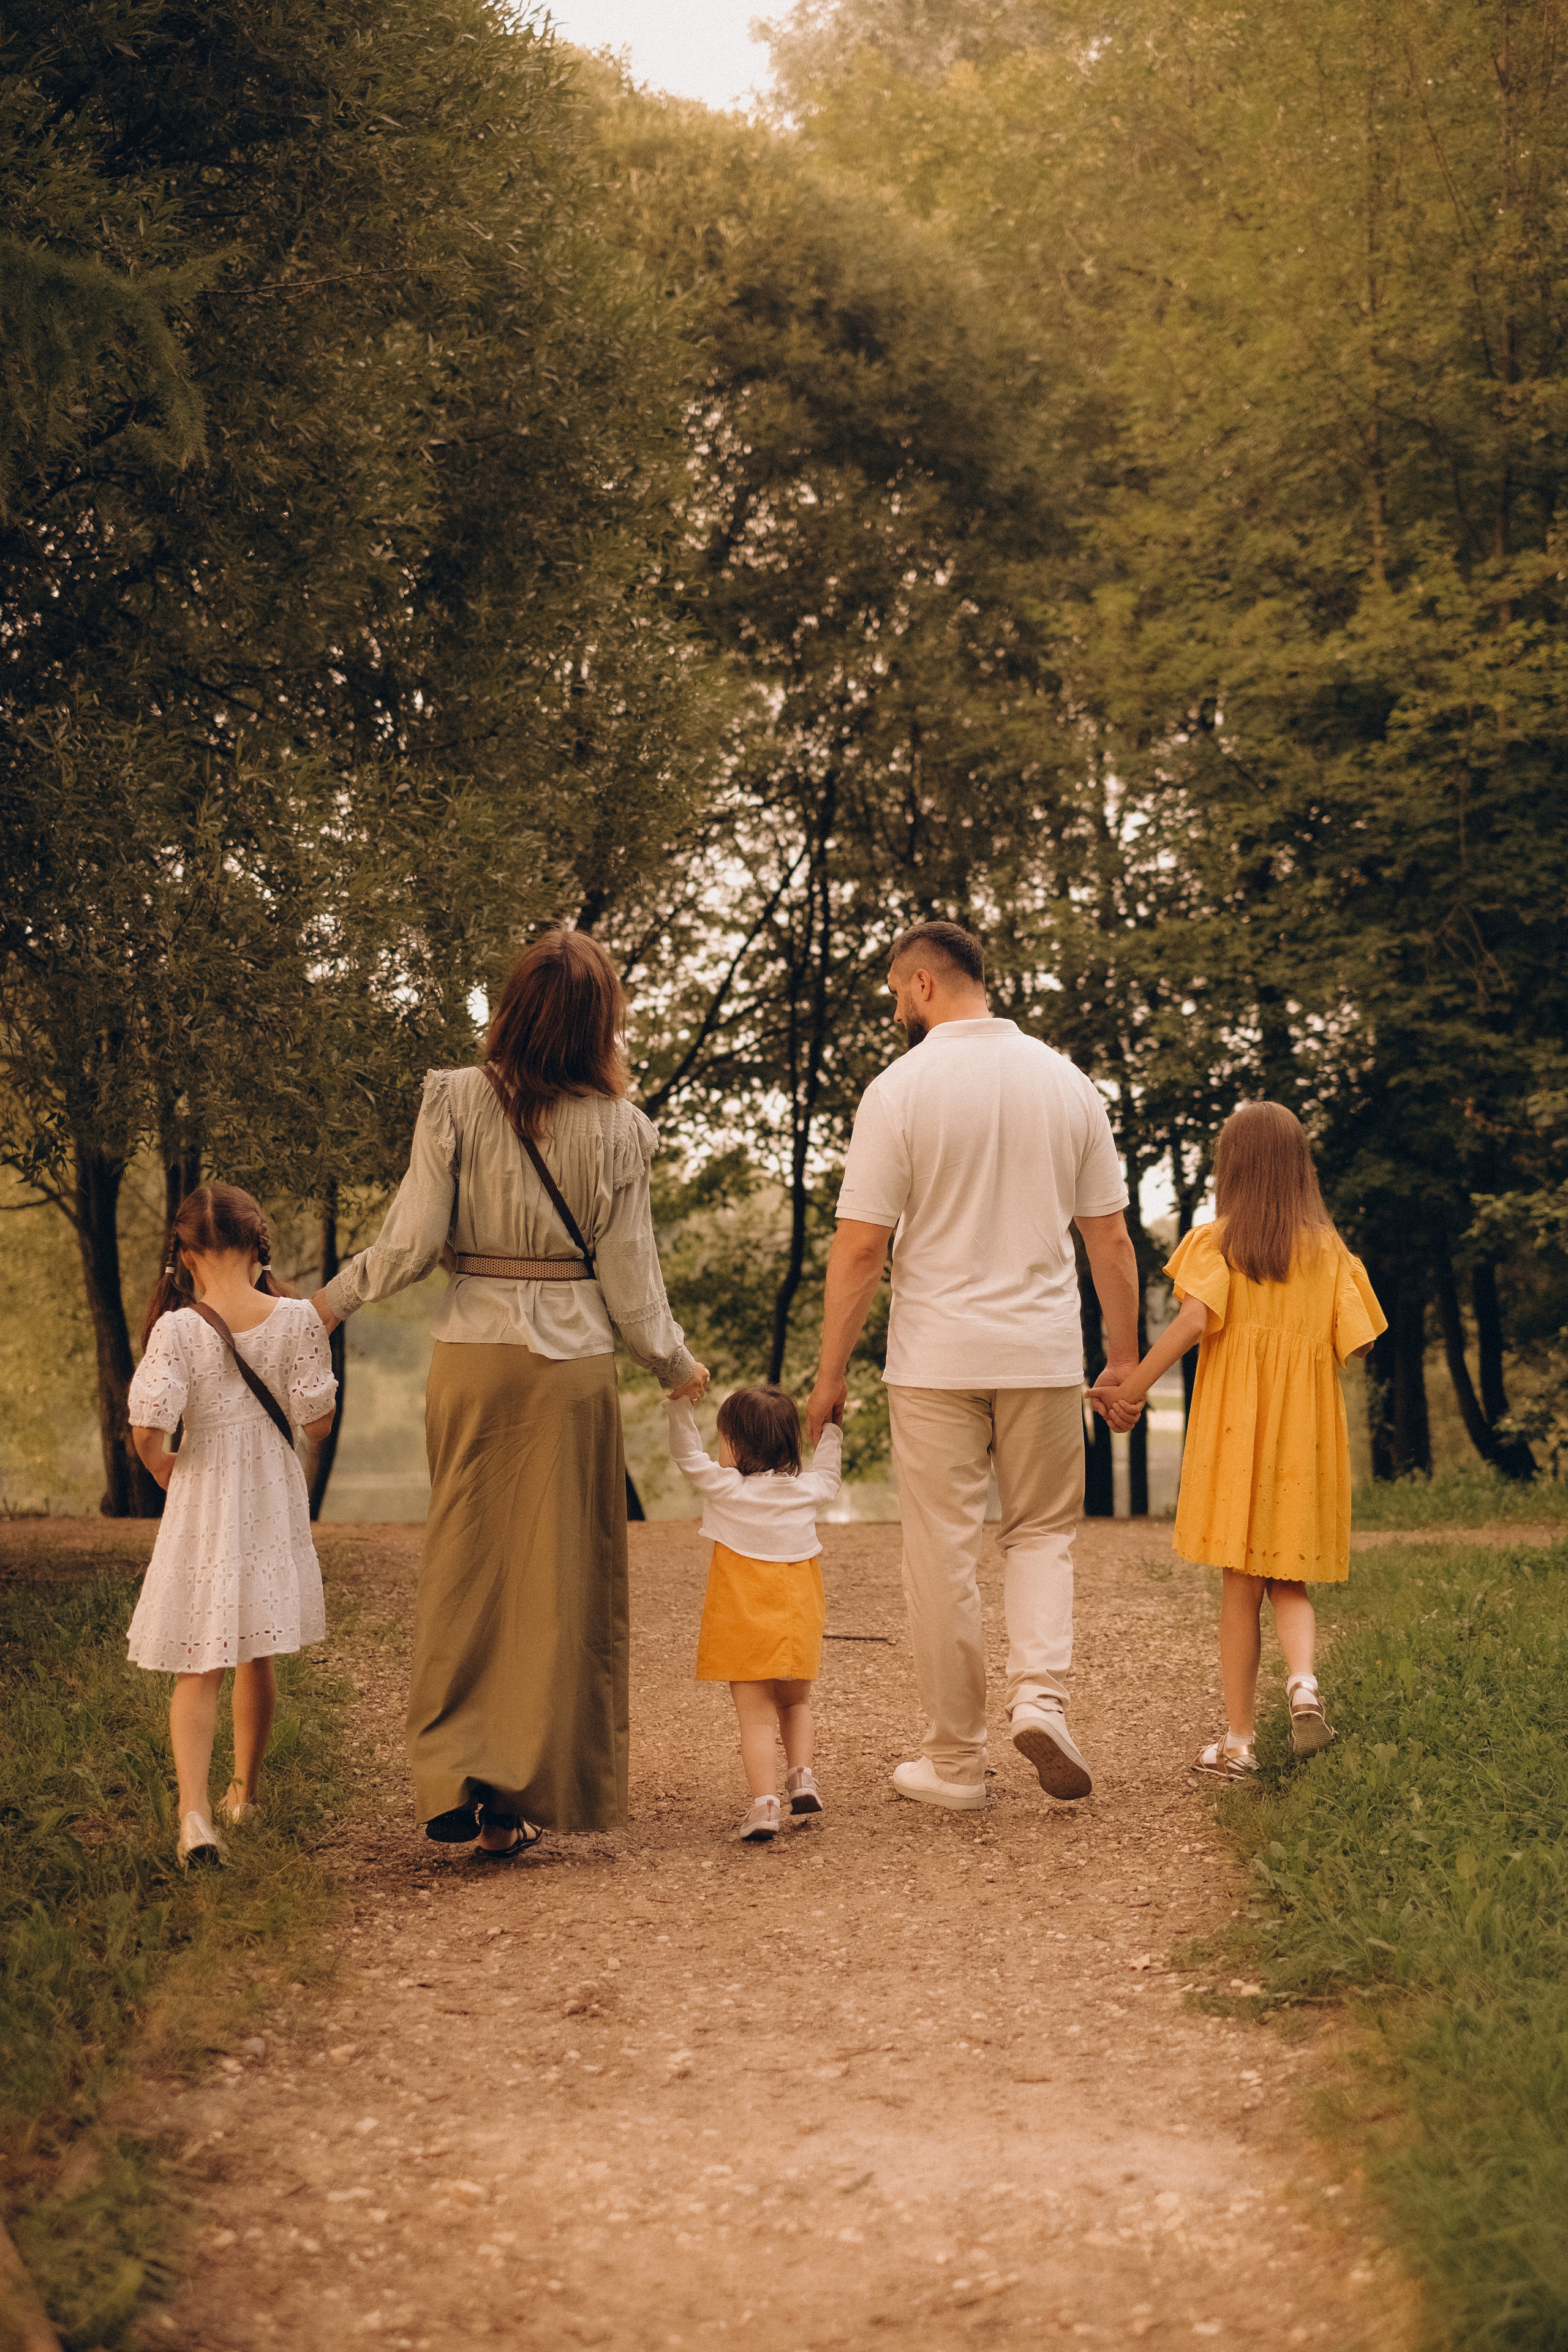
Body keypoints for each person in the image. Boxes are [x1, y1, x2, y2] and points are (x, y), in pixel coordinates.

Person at [311, 930, 707, 1858]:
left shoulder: (453, 1099)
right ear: (597, 1022)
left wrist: (323, 1306)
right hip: (571, 1374)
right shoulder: (620, 1130)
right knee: (557, 1587)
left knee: (463, 1565)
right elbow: (632, 1280)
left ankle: (454, 1771)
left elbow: (409, 1244)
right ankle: (517, 1793)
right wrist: (674, 1363)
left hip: (473, 1359)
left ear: (515, 1004)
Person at [805, 920, 1140, 1811]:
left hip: (936, 1359)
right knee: (1039, 1532)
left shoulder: (898, 1091)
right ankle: (1040, 1698)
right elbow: (1107, 1234)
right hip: (1041, 1353)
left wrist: (830, 1375)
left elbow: (862, 1248)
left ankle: (954, 1762)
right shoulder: (1069, 1085)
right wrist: (1121, 1357)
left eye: (892, 993)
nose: (895, 1009)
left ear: (921, 985)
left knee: (941, 1554)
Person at [1090, 1101, 1386, 1780]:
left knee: (1239, 1586)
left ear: (1234, 1169)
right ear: (1298, 1172)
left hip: (1236, 1434)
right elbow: (1364, 1342)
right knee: (1291, 1578)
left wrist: (1131, 1389)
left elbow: (1192, 1322)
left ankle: (1239, 1743)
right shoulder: (1331, 1256)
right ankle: (1304, 1684)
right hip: (1304, 1438)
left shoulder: (1215, 1244)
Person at [127, 1184, 337, 1868]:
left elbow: (148, 1428)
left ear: (185, 1257)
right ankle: (244, 1793)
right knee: (256, 1646)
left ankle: (195, 1816)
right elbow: (317, 1423)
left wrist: (166, 1468)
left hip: (203, 1494)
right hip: (271, 1496)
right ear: (258, 1246)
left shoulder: (177, 1329)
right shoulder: (299, 1319)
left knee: (200, 1658)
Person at [666, 1385, 843, 1841]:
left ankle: (765, 1804)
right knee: (797, 1703)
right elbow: (829, 1473)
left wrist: (679, 1404)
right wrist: (832, 1430)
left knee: (757, 1719)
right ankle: (802, 1775)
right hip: (798, 1615)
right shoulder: (807, 1491)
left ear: (737, 1445)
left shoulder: (727, 1489)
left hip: (743, 1617)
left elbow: (688, 1456)